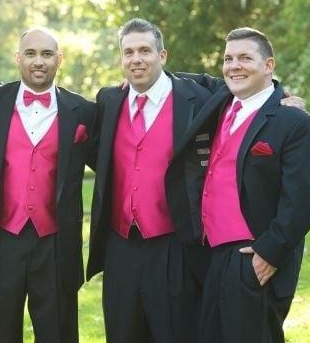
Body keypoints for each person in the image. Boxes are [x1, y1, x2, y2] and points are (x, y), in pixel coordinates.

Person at [175, 27, 310, 342]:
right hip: (212, 255)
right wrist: (142, 75)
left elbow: (302, 198)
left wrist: (268, 254)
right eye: (228, 59)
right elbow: (190, 80)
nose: (234, 65)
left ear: (268, 65)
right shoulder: (220, 105)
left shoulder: (295, 122)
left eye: (245, 57)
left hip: (252, 256)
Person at [86, 18, 218, 343]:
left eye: (145, 50)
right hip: (120, 245)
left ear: (163, 55)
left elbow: (239, 83)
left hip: (173, 243)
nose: (136, 59)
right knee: (122, 333)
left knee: (175, 333)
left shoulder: (194, 98)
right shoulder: (108, 100)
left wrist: (279, 93)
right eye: (129, 52)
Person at [0, 27, 96, 343]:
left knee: (58, 335)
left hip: (55, 245)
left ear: (59, 59)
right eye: (31, 53)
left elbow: (115, 161)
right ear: (18, 58)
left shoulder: (85, 111)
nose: (39, 61)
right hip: (0, 241)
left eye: (47, 54)